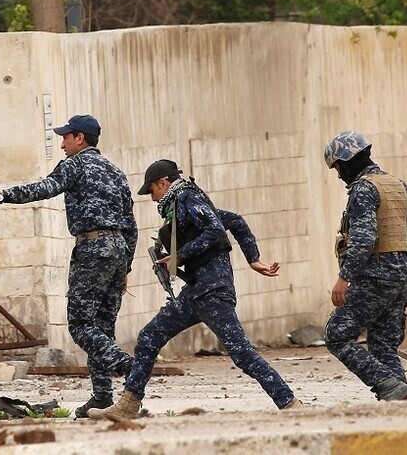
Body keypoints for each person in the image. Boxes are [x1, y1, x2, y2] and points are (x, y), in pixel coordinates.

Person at [91, 159, 301, 420]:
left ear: (163, 183)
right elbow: (234, 221)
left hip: (213, 292)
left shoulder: (188, 198)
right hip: (195, 292)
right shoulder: (183, 205)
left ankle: (290, 403)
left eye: (152, 191)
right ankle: (128, 406)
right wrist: (253, 259)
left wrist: (180, 256)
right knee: (149, 337)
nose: (152, 198)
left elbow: (215, 230)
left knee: (242, 353)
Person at [0, 114, 137, 418]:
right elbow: (131, 222)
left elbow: (44, 188)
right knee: (102, 328)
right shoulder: (116, 172)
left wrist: (0, 196)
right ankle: (103, 398)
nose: (62, 144)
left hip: (92, 249)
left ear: (80, 138)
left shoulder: (75, 164)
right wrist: (125, 265)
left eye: (66, 137)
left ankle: (130, 367)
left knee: (80, 325)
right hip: (117, 249)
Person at [323, 131, 407, 401]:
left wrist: (344, 278)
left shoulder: (363, 189)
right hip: (400, 279)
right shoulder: (398, 185)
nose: (339, 175)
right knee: (383, 344)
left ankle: (385, 384)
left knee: (337, 335)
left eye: (338, 167)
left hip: (374, 278)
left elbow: (364, 239)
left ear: (347, 161)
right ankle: (398, 397)